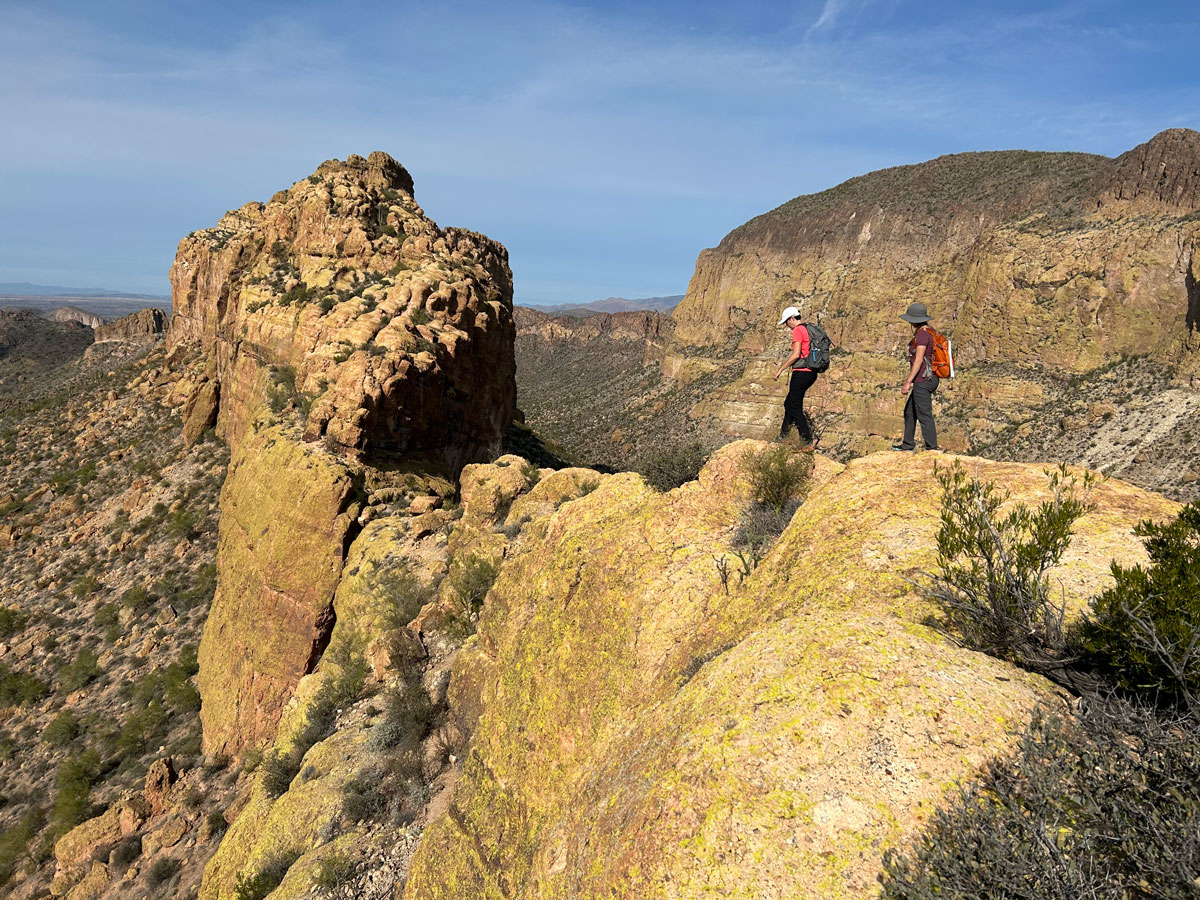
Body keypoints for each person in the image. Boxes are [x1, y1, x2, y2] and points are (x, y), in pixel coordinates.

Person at [893, 302, 939, 451]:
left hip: (923, 380)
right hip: (929, 378)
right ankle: (907, 444)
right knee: (909, 412)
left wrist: (908, 382)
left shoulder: (922, 335)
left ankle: (932, 448)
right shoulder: (929, 332)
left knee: (924, 415)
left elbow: (919, 360)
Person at [772, 305, 818, 451]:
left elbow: (796, 354)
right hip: (811, 372)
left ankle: (806, 441)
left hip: (801, 372)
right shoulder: (808, 329)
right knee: (789, 403)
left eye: (786, 322)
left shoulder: (798, 330)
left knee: (795, 407)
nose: (787, 325)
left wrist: (781, 369)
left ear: (792, 318)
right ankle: (784, 435)